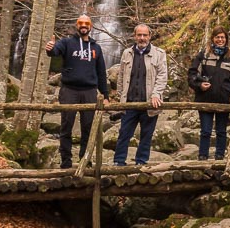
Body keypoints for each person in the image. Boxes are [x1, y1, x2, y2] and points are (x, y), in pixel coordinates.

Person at [46, 15, 109, 169]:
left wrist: (105, 96)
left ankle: (85, 159)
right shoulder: (67, 43)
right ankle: (66, 161)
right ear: (77, 25)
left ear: (91, 26)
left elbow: (101, 73)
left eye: (86, 23)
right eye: (81, 23)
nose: (83, 25)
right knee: (66, 126)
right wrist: (50, 49)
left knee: (88, 127)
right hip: (69, 90)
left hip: (89, 91)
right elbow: (55, 51)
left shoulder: (96, 48)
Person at [113, 24, 169, 166]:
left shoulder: (159, 53)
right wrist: (121, 95)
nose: (142, 38)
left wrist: (156, 94)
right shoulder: (127, 53)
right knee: (124, 133)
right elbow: (121, 76)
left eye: (145, 35)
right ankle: (119, 162)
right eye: (139, 35)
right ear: (135, 36)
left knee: (146, 135)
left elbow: (162, 76)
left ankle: (141, 162)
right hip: (130, 102)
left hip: (149, 102)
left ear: (149, 36)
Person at [188, 27, 230, 161]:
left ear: (226, 40)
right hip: (205, 99)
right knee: (205, 131)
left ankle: (219, 156)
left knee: (221, 131)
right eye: (217, 37)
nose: (220, 40)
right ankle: (202, 156)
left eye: (222, 37)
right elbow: (192, 74)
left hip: (224, 100)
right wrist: (199, 86)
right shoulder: (203, 55)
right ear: (212, 39)